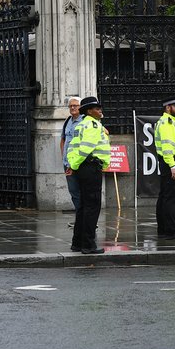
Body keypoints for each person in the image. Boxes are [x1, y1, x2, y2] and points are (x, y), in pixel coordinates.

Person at [66, 96, 111, 254]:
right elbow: (86, 149)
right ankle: (88, 245)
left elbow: (72, 146)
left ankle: (77, 242)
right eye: (96, 108)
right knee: (92, 207)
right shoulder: (92, 125)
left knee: (83, 207)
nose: (100, 110)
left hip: (83, 168)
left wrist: (72, 165)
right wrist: (75, 164)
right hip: (90, 168)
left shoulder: (82, 124)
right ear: (89, 111)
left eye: (100, 107)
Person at [153, 97, 175, 240]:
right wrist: (173, 166)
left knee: (164, 196)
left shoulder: (171, 123)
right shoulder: (167, 123)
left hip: (169, 162)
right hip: (171, 162)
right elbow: (168, 148)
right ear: (168, 108)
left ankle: (163, 229)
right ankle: (170, 230)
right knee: (170, 198)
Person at [60, 97, 83, 218]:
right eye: (70, 106)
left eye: (75, 105)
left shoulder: (85, 121)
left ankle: (84, 219)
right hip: (68, 163)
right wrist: (63, 157)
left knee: (82, 192)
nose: (73, 108)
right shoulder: (68, 120)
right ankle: (79, 218)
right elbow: (63, 139)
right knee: (74, 192)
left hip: (80, 163)